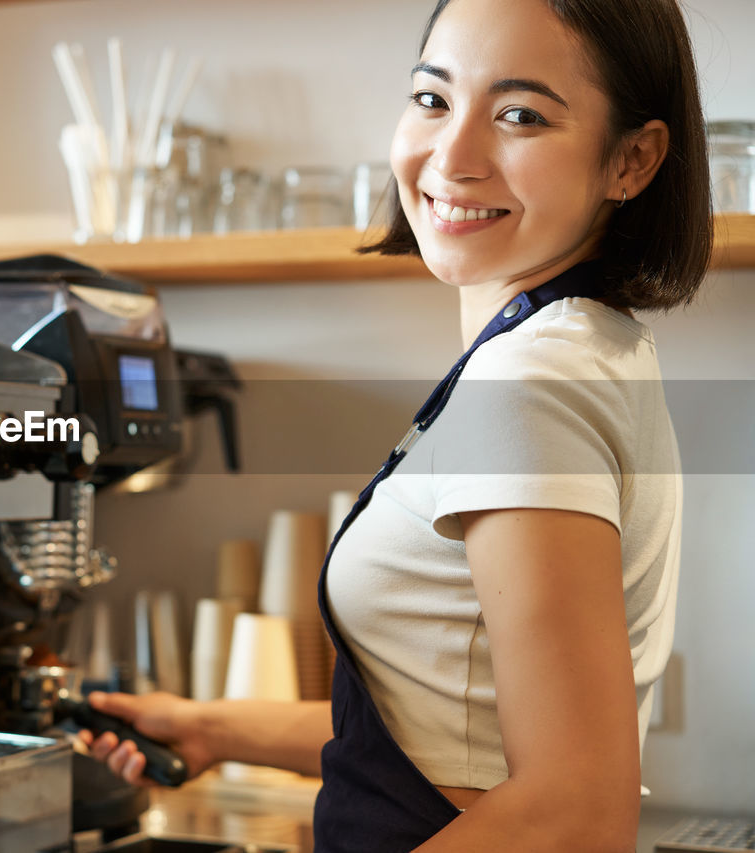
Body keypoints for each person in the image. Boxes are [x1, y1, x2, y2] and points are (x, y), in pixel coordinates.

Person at [78, 0, 710, 850]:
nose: (453, 156)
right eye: (433, 99)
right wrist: (212, 726)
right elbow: (454, 726)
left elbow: (576, 808)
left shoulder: (530, 381)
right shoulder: (586, 344)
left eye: (520, 115)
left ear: (631, 159)